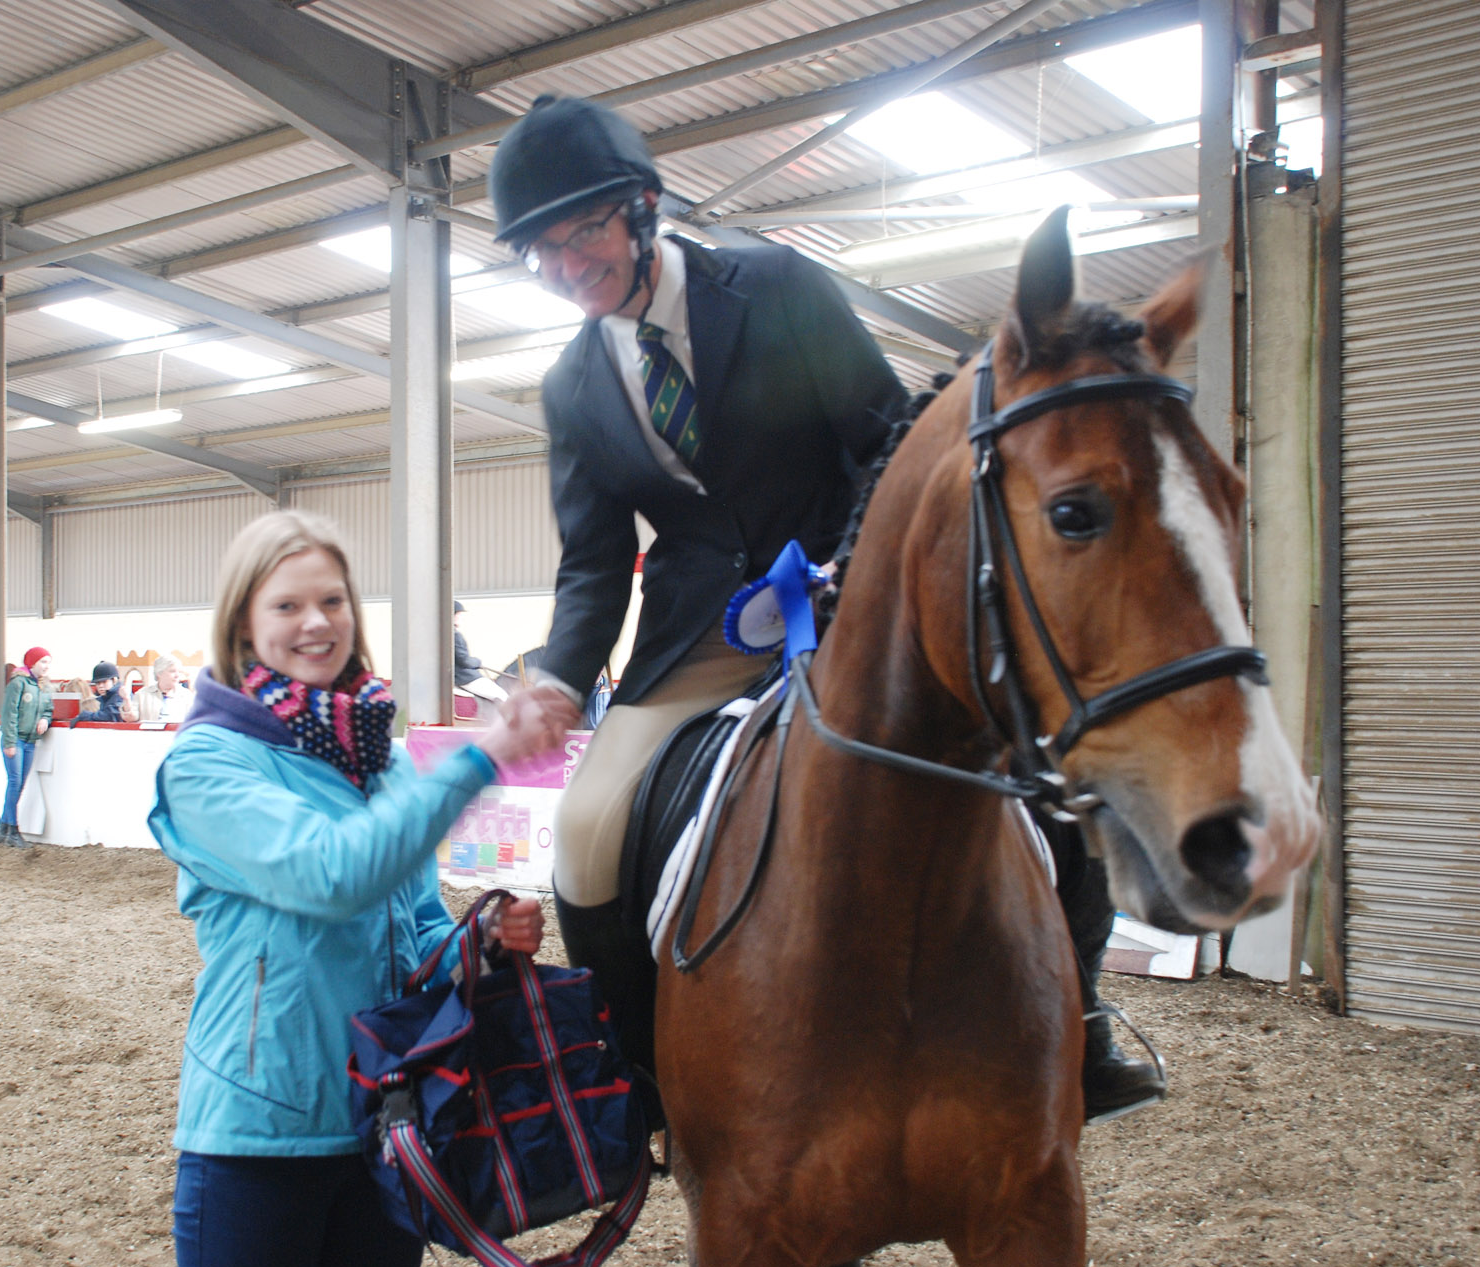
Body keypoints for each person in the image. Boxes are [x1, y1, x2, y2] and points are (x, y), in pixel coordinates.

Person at [488, 94, 1161, 1122]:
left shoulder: (776, 286)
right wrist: (555, 680)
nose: (568, 266)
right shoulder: (570, 385)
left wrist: (848, 563)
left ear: (642, 208)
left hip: (856, 591)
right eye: (542, 252)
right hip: (701, 634)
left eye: (582, 233)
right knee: (584, 830)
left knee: (1039, 751)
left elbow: (884, 435)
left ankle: (1080, 1022)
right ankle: (640, 1077)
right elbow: (593, 562)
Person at [148, 509, 578, 1267]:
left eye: (332, 601)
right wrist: (483, 756)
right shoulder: (206, 762)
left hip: (386, 1123)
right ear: (243, 622)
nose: (316, 622)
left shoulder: (382, 761)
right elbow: (333, 874)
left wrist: (478, 939)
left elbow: (415, 932)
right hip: (258, 1137)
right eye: (287, 605)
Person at [0, 648, 53, 847]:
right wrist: (10, 742)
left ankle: (3, 828)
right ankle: (12, 829)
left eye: (48, 663)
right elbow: (9, 713)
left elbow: (48, 709)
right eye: (43, 662)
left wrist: (45, 719)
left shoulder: (44, 687)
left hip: (30, 741)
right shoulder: (18, 683)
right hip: (17, 739)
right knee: (15, 782)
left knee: (18, 784)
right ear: (32, 663)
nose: (46, 667)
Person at [134, 654, 192, 724]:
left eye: (179, 672)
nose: (177, 675)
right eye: (172, 671)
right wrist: (126, 699)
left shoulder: (187, 695)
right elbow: (130, 719)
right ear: (159, 673)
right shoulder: (142, 694)